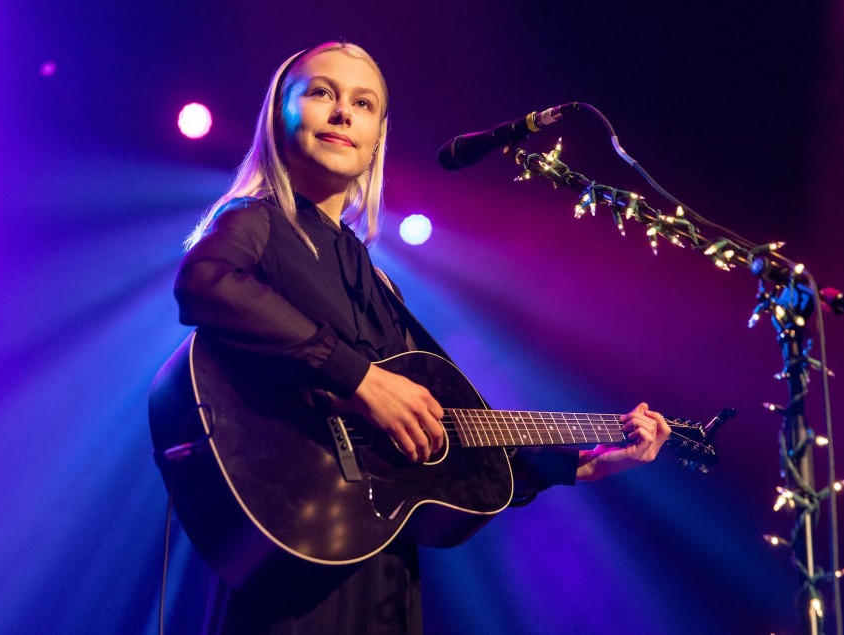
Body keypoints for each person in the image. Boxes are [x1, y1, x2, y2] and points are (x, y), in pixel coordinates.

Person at [173, 41, 671, 635]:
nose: (342, 113)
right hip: (290, 556)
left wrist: (586, 463)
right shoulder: (255, 221)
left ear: (377, 135)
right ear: (279, 114)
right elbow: (204, 283)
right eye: (321, 93)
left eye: (363, 103)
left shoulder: (378, 282)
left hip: (378, 564)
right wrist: (357, 378)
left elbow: (452, 437)